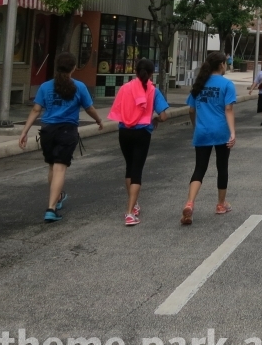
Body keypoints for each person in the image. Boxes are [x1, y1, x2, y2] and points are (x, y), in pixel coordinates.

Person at [17, 52, 104, 222]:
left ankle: (56, 199)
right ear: (73, 68)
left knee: (52, 167)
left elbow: (36, 110)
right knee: (59, 168)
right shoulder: (79, 87)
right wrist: (98, 120)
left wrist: (24, 131)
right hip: (67, 131)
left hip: (48, 131)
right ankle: (51, 208)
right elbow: (89, 108)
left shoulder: (45, 87)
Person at [108, 58, 170, 226]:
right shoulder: (153, 91)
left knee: (129, 167)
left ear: (135, 72)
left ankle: (134, 204)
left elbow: (118, 110)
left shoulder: (124, 89)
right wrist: (155, 119)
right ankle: (129, 212)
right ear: (151, 74)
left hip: (124, 132)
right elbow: (164, 115)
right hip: (142, 133)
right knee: (137, 170)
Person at [181, 51, 237, 224]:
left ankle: (190, 202)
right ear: (221, 65)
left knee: (200, 168)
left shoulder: (199, 83)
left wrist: (196, 126)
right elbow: (228, 109)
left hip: (202, 131)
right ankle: (221, 204)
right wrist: (232, 132)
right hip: (221, 131)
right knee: (222, 167)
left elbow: (191, 110)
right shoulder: (227, 84)